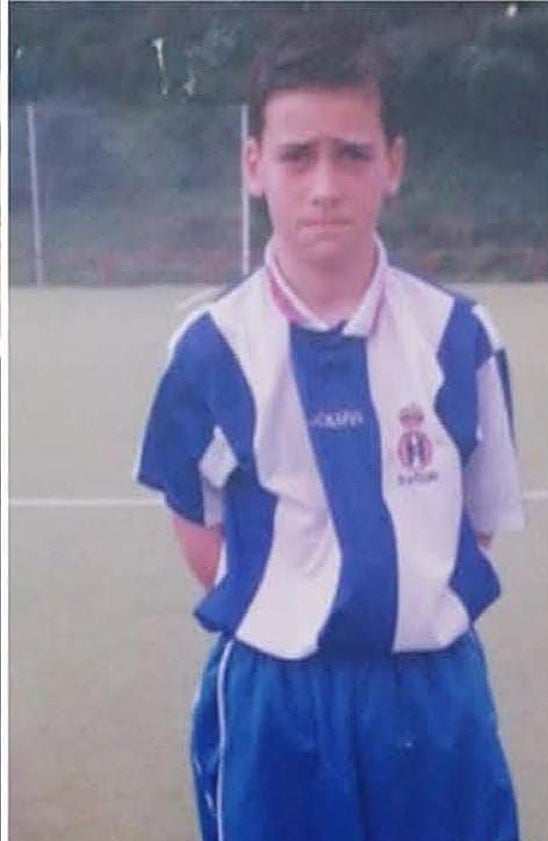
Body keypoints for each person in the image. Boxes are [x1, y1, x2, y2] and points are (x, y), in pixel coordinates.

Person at [136, 13, 525, 841]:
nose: (323, 186)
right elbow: (200, 538)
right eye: (295, 155)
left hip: (433, 695)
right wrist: (296, 607)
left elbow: (476, 523)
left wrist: (401, 605)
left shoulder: (459, 339)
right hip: (279, 698)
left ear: (393, 164)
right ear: (253, 166)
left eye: (351, 154)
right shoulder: (209, 354)